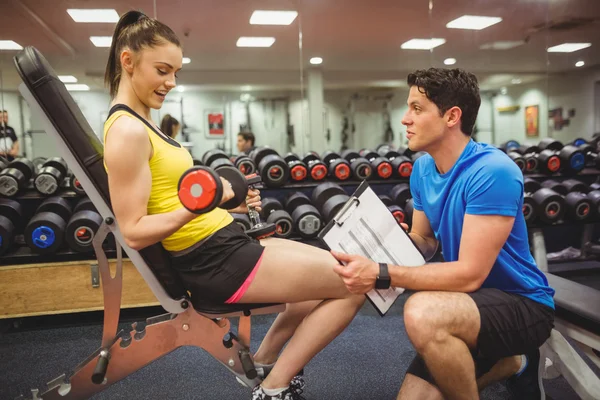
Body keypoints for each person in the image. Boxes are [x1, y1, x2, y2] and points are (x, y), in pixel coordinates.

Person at [102, 11, 364, 400]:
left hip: (224, 240)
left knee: (332, 273)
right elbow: (135, 231)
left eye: (175, 72)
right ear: (128, 61)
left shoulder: (145, 123)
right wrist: (205, 204)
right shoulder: (126, 131)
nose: (170, 83)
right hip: (212, 260)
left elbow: (171, 199)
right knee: (354, 283)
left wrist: (228, 207)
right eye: (162, 70)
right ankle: (274, 389)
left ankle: (264, 361)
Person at [331, 68, 555, 400]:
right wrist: (376, 243)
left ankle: (515, 352)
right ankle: (512, 362)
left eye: (417, 108)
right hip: (465, 306)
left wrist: (380, 274)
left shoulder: (492, 171)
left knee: (422, 312)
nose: (405, 119)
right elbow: (424, 242)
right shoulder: (422, 169)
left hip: (519, 303)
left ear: (451, 116)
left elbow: (469, 274)